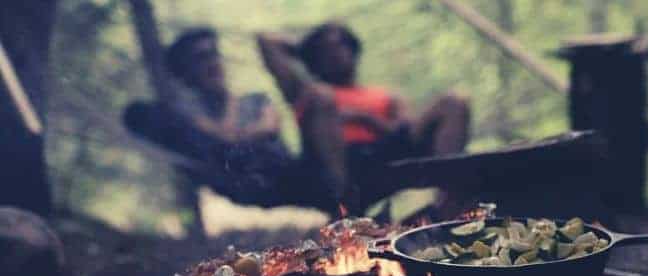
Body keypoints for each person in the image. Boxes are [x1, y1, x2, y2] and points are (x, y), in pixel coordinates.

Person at [257, 22, 471, 213]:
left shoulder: (385, 96)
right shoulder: (308, 92)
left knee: (455, 101)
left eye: (340, 45)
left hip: (384, 156)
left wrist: (364, 119)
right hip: (333, 167)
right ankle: (344, 208)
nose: (334, 53)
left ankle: (448, 201)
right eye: (324, 50)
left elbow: (406, 131)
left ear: (353, 50)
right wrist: (305, 48)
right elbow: (266, 40)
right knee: (322, 96)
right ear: (314, 59)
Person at [125, 28, 337, 209]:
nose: (212, 62)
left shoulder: (256, 99)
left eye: (214, 54)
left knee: (320, 100)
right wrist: (238, 130)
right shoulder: (188, 118)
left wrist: (237, 132)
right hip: (250, 188)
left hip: (294, 176)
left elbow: (268, 128)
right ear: (186, 72)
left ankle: (341, 196)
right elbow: (224, 139)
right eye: (201, 58)